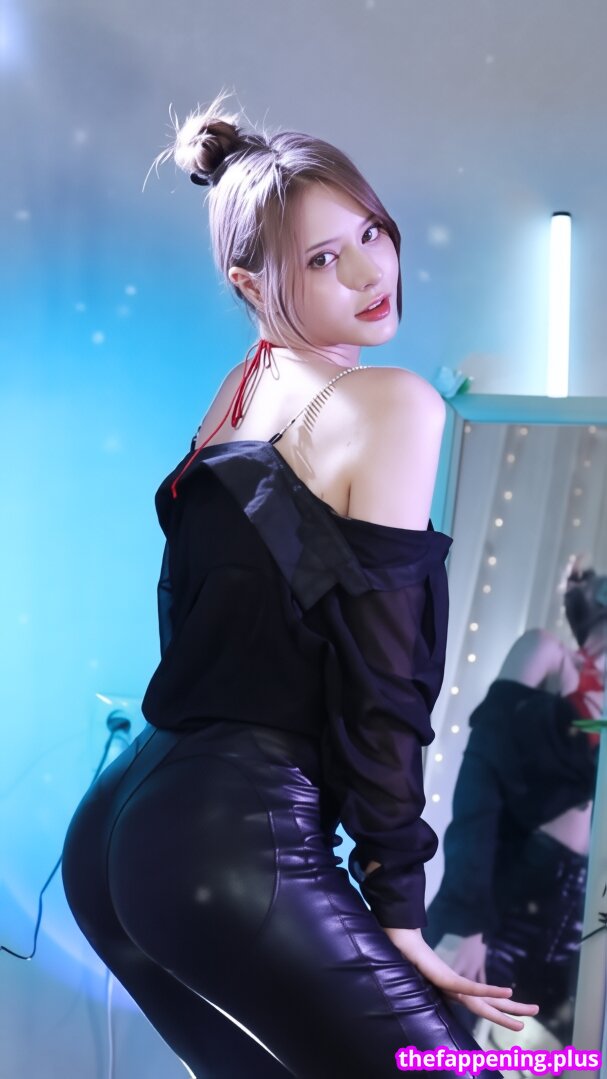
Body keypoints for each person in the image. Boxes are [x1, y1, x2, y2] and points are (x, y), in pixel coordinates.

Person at [60, 89, 538, 1079]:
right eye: (323, 259)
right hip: (235, 839)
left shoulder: (240, 391)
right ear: (249, 282)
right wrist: (398, 908)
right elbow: (382, 683)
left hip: (118, 836)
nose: (370, 272)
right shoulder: (390, 404)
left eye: (371, 232)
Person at [423, 559, 605, 1046]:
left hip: (578, 929)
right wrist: (467, 919)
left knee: (558, 1065)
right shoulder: (547, 654)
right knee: (436, 1048)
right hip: (504, 898)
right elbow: (480, 778)